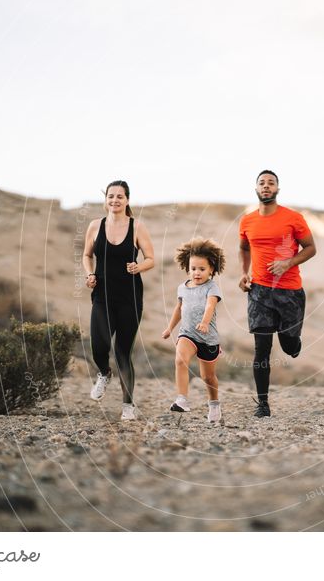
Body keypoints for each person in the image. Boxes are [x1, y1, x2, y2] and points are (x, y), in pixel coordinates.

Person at [239, 170, 316, 417]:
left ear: (277, 189)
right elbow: (244, 248)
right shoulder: (247, 221)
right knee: (262, 348)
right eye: (262, 183)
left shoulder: (293, 218)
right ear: (256, 188)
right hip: (259, 291)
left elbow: (311, 248)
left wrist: (288, 262)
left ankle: (293, 343)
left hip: (289, 292)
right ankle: (263, 404)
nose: (266, 186)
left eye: (271, 183)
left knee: (289, 345)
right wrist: (244, 273)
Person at [83, 180, 155, 421]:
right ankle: (104, 373)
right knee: (98, 346)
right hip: (102, 296)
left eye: (120, 197)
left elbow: (151, 258)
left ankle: (128, 407)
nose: (115, 200)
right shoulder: (95, 226)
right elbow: (86, 255)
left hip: (130, 297)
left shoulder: (137, 227)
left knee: (123, 351)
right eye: (111, 196)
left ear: (127, 200)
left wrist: (138, 266)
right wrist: (89, 274)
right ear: (106, 199)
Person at [161, 238, 226, 423]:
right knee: (180, 360)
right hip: (187, 333)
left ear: (211, 269)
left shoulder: (212, 287)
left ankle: (214, 404)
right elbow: (178, 309)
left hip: (208, 338)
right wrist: (169, 328)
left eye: (202, 269)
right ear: (187, 268)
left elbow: (210, 306)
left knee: (208, 377)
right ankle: (182, 399)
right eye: (193, 269)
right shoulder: (182, 287)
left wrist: (205, 322)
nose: (197, 273)